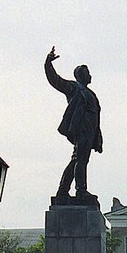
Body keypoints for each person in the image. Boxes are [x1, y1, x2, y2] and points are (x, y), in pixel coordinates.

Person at [44, 46, 103, 203]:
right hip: (82, 131)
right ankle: (81, 190)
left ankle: (63, 190)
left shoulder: (90, 93)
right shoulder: (75, 88)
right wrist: (48, 64)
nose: (91, 76)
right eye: (88, 73)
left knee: (77, 159)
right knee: (81, 159)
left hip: (90, 132)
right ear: (82, 76)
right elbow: (56, 81)